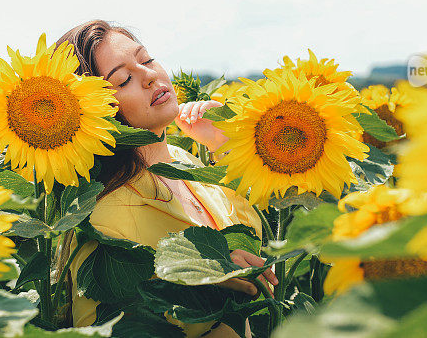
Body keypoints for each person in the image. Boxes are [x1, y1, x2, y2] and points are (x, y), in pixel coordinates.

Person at [55, 20, 276, 338]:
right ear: (93, 112)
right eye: (124, 78)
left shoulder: (186, 162)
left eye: (145, 59)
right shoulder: (104, 220)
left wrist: (224, 148)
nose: (148, 76)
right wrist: (223, 301)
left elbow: (253, 236)